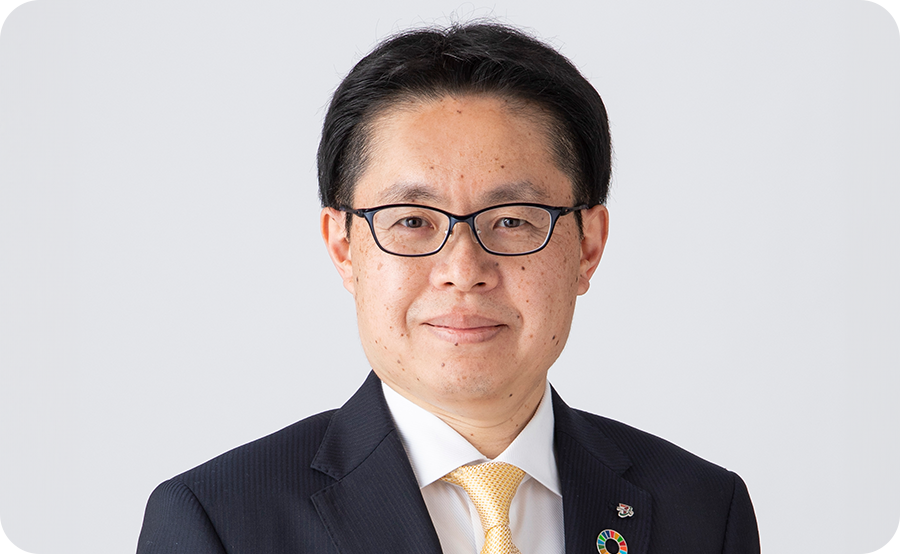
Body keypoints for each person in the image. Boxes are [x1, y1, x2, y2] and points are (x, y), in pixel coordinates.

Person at [137, 23, 760, 554]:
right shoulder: (220, 521)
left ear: (588, 246)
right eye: (412, 221)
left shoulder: (702, 510)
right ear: (343, 246)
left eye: (511, 220)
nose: (463, 269)